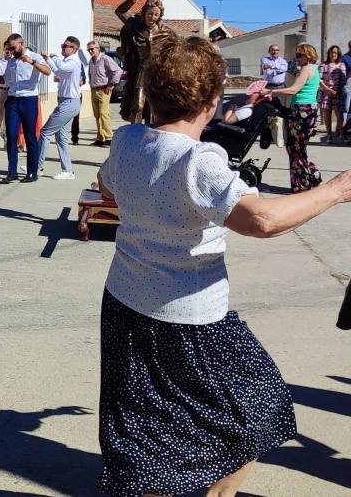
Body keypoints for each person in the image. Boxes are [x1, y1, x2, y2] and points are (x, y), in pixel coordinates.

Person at [95, 33, 351, 497]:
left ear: (150, 93)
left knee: (145, 423)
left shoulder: (127, 139)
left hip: (126, 302)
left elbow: (108, 186)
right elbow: (262, 220)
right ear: (212, 100)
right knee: (259, 406)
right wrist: (334, 190)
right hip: (191, 319)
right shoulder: (201, 161)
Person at [264, 43, 322, 192]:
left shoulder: (306, 70)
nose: (296, 59)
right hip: (310, 111)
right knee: (299, 148)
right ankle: (313, 176)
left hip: (301, 112)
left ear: (307, 56)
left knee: (295, 148)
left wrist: (271, 92)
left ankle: (302, 185)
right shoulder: (314, 69)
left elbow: (293, 89)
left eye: (298, 55)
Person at [0, 33, 51, 183]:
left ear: (21, 43)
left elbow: (47, 71)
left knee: (30, 136)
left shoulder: (34, 57)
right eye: (9, 49)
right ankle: (12, 171)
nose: (11, 51)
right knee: (11, 135)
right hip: (13, 99)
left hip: (29, 98)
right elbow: (5, 80)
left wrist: (32, 62)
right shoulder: (12, 61)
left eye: (13, 48)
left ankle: (32, 172)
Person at [115, 0, 171, 123]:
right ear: (145, 13)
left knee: (153, 110)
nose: (152, 17)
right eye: (150, 13)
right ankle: (134, 136)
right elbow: (120, 12)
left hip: (158, 74)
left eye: (156, 14)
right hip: (141, 72)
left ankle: (151, 135)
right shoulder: (136, 26)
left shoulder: (167, 33)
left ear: (160, 16)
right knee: (137, 106)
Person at [37, 37, 83, 180]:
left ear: (73, 49)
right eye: (62, 45)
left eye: (66, 46)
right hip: (67, 101)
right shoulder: (68, 62)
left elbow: (61, 68)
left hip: (69, 102)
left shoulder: (74, 61)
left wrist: (52, 57)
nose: (63, 48)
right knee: (61, 136)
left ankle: (36, 166)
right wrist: (48, 59)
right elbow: (58, 71)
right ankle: (67, 170)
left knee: (45, 132)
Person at [86, 41, 121, 146]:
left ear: (98, 49)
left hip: (104, 89)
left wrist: (111, 84)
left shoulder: (105, 59)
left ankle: (109, 137)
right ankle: (100, 137)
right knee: (97, 115)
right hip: (94, 89)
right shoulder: (91, 61)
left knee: (103, 113)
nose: (91, 51)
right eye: (89, 49)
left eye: (92, 49)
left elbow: (118, 71)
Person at [318, 45, 346, 144]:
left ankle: (342, 135)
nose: (333, 54)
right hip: (326, 93)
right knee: (327, 114)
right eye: (331, 52)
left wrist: (336, 91)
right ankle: (329, 136)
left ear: (338, 54)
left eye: (335, 53)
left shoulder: (341, 65)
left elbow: (343, 80)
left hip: (337, 93)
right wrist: (328, 90)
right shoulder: (323, 65)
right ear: (328, 53)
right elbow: (319, 80)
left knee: (339, 114)